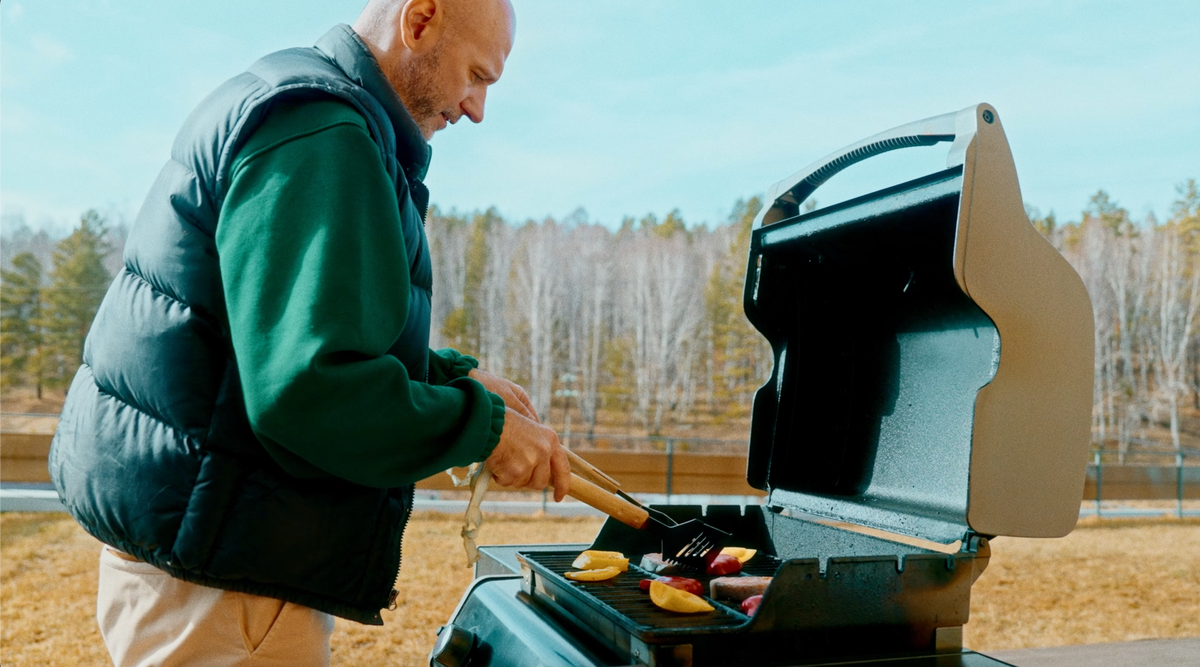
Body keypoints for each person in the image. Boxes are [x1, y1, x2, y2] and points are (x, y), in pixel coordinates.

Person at [48, 0, 570, 664]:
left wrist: (446, 378)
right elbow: (308, 390)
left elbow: (275, 332)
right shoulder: (326, 132)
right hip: (219, 583)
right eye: (477, 76)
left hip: (198, 554)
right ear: (420, 20)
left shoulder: (298, 98)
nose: (476, 108)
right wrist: (482, 428)